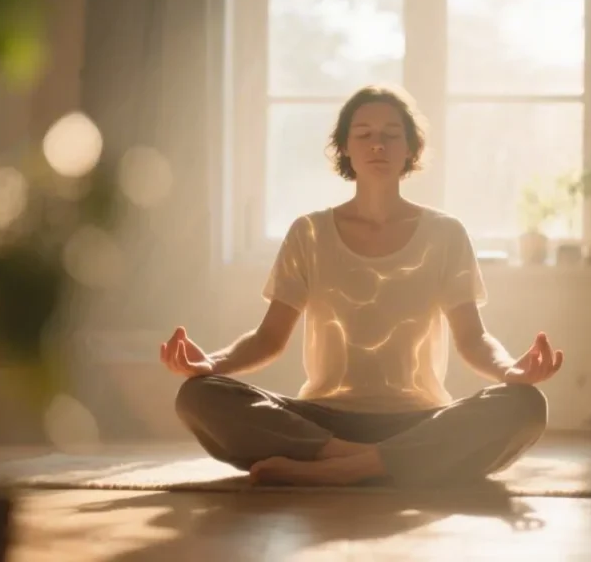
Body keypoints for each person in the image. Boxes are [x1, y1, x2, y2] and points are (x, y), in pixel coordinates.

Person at [161, 85, 564, 487]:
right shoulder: (309, 233)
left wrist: (509, 369)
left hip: (419, 420)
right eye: (364, 134)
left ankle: (344, 470)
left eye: (391, 134)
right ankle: (366, 460)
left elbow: (473, 339)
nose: (378, 145)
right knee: (197, 397)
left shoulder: (446, 233)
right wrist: (211, 365)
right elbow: (269, 338)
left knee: (525, 405)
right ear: (345, 149)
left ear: (410, 148)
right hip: (320, 422)